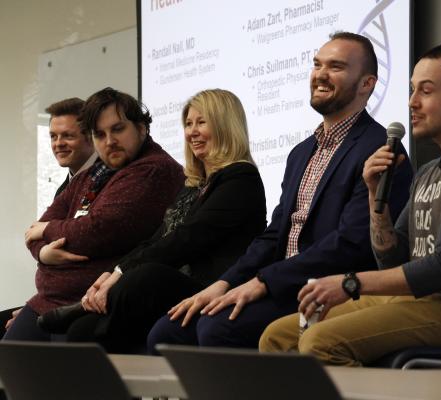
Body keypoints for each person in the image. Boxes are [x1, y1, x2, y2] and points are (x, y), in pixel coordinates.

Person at [259, 43, 441, 366]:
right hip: (414, 300)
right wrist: (375, 199)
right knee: (277, 337)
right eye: (412, 90)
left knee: (319, 341)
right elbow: (391, 258)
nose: (412, 102)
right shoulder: (429, 170)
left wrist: (349, 282)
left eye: (426, 91)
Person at [146, 32, 413, 351]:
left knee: (218, 329)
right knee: (168, 331)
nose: (321, 74)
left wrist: (265, 282)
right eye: (317, 64)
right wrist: (225, 283)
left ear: (367, 84)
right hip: (279, 283)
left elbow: (352, 243)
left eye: (336, 66)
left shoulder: (379, 150)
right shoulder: (301, 152)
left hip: (325, 290)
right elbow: (274, 236)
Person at [61, 89, 267, 353]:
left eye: (201, 122)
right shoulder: (195, 184)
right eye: (188, 124)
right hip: (183, 286)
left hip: (213, 287)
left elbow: (187, 240)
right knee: (83, 331)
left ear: (225, 125)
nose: (192, 131)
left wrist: (121, 274)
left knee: (146, 277)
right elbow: (159, 238)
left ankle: (89, 315)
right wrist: (113, 272)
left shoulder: (240, 178)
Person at [3, 87, 184, 341]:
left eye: (118, 129)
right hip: (49, 301)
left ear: (142, 128)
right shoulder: (96, 172)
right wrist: (44, 252)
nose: (109, 141)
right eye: (100, 134)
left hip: (90, 304)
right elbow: (34, 230)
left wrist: (47, 231)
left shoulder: (153, 169)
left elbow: (99, 229)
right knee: (12, 371)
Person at [1, 97, 98, 336]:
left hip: (85, 298)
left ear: (91, 136)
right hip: (53, 296)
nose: (58, 144)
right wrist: (44, 253)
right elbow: (32, 234)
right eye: (53, 136)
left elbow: (79, 239)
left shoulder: (108, 181)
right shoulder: (63, 188)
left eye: (67, 136)